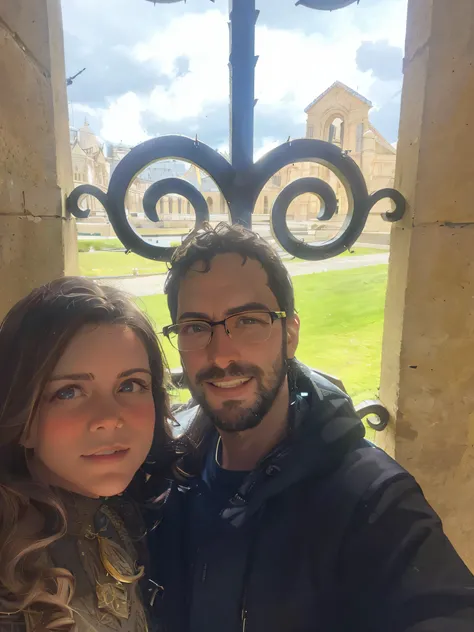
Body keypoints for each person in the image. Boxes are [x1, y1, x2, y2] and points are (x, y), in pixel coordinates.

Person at [148, 223, 474, 632]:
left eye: (248, 320)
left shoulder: (372, 501)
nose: (222, 353)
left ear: (290, 333)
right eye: (196, 327)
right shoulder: (165, 466)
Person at [0, 277, 172, 632]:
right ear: (22, 414)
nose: (109, 418)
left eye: (130, 385)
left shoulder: (130, 511)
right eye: (69, 392)